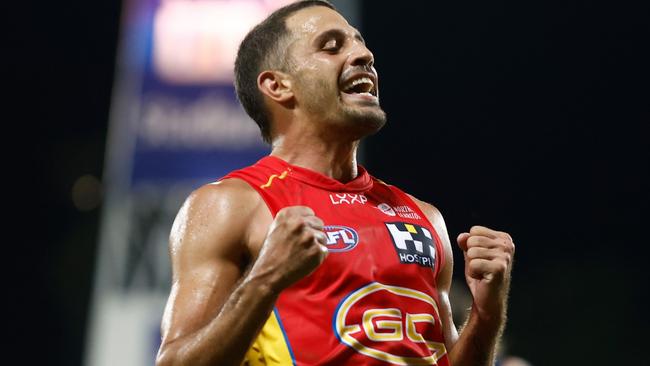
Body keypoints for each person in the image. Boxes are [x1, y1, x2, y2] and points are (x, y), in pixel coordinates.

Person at [155, 1, 516, 365]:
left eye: (360, 43)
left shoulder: (423, 217)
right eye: (332, 46)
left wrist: (487, 315)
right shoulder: (231, 205)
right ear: (278, 85)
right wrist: (265, 280)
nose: (364, 54)